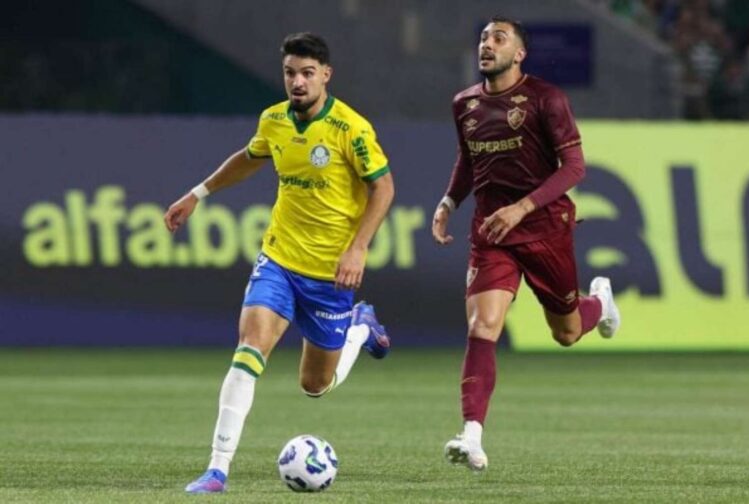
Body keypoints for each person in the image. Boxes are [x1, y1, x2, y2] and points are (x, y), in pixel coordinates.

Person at [164, 32, 395, 493]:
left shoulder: (351, 128)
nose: (298, 81)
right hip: (280, 260)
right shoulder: (273, 120)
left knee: (315, 385)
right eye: (291, 72)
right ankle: (217, 469)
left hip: (330, 274)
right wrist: (197, 194)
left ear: (325, 75)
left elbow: (383, 188)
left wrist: (359, 247)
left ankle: (360, 327)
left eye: (308, 73)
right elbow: (250, 158)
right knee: (249, 349)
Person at [432, 17, 620, 471]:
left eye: (499, 39)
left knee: (567, 332)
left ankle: (598, 302)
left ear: (519, 54)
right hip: (492, 232)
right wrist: (449, 200)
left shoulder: (546, 99)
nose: (487, 45)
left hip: (543, 227)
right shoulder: (464, 104)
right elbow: (469, 160)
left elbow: (574, 167)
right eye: (483, 37)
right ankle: (471, 435)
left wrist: (523, 207)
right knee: (483, 326)